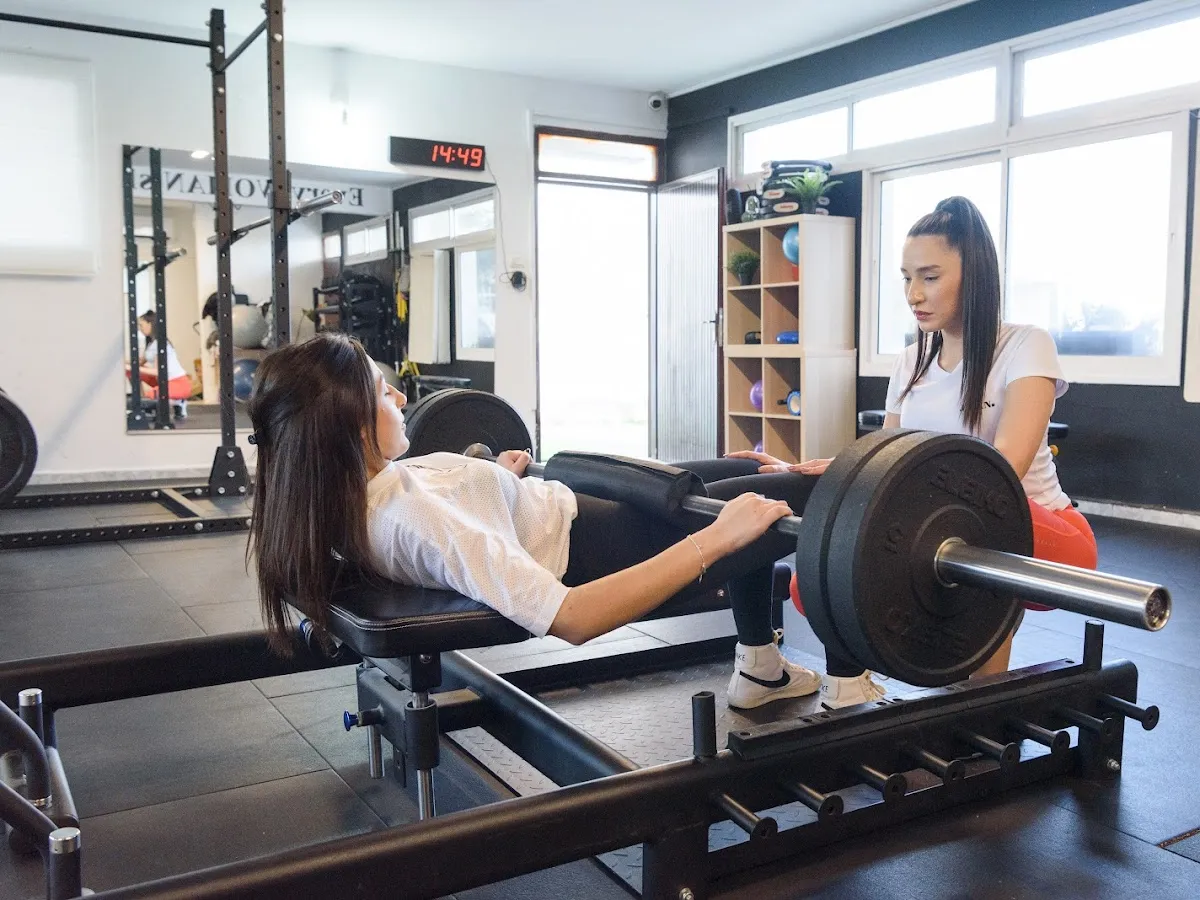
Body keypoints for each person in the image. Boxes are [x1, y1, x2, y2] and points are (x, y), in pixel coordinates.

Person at [247, 332, 829, 711]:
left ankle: (760, 667)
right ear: (350, 426)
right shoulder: (410, 518)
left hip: (567, 504)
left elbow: (449, 502)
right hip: (607, 545)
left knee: (746, 469)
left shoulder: (358, 488)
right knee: (807, 489)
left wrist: (493, 481)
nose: (400, 396)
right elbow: (572, 617)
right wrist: (716, 538)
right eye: (382, 392)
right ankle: (846, 678)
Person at [731, 195, 1098, 707]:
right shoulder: (910, 361)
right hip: (948, 519)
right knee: (823, 569)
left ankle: (977, 707)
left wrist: (878, 481)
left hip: (1045, 530)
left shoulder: (1025, 345)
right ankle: (843, 684)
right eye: (906, 278)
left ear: (975, 275)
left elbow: (1002, 473)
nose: (913, 294)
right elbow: (888, 454)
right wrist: (821, 473)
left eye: (930, 277)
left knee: (959, 526)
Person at [129, 311, 193, 407]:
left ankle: (177, 402)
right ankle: (141, 401)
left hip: (179, 383)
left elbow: (158, 371)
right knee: (130, 372)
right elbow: (139, 362)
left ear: (150, 324)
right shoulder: (151, 344)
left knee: (151, 395)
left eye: (141, 325)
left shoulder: (161, 344)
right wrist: (125, 365)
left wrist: (133, 368)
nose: (139, 329)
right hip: (163, 381)